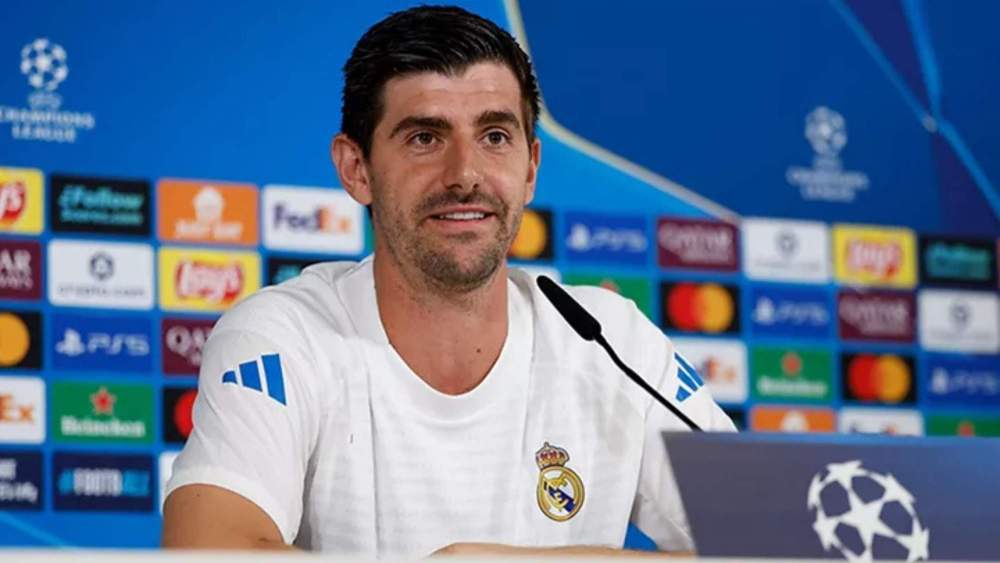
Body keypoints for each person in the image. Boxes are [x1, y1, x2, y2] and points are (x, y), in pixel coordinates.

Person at [162, 5, 735, 557]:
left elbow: (783, 540)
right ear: (356, 169)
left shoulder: (612, 342)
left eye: (494, 137)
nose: (465, 174)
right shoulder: (284, 336)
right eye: (424, 138)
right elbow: (211, 552)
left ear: (530, 167)